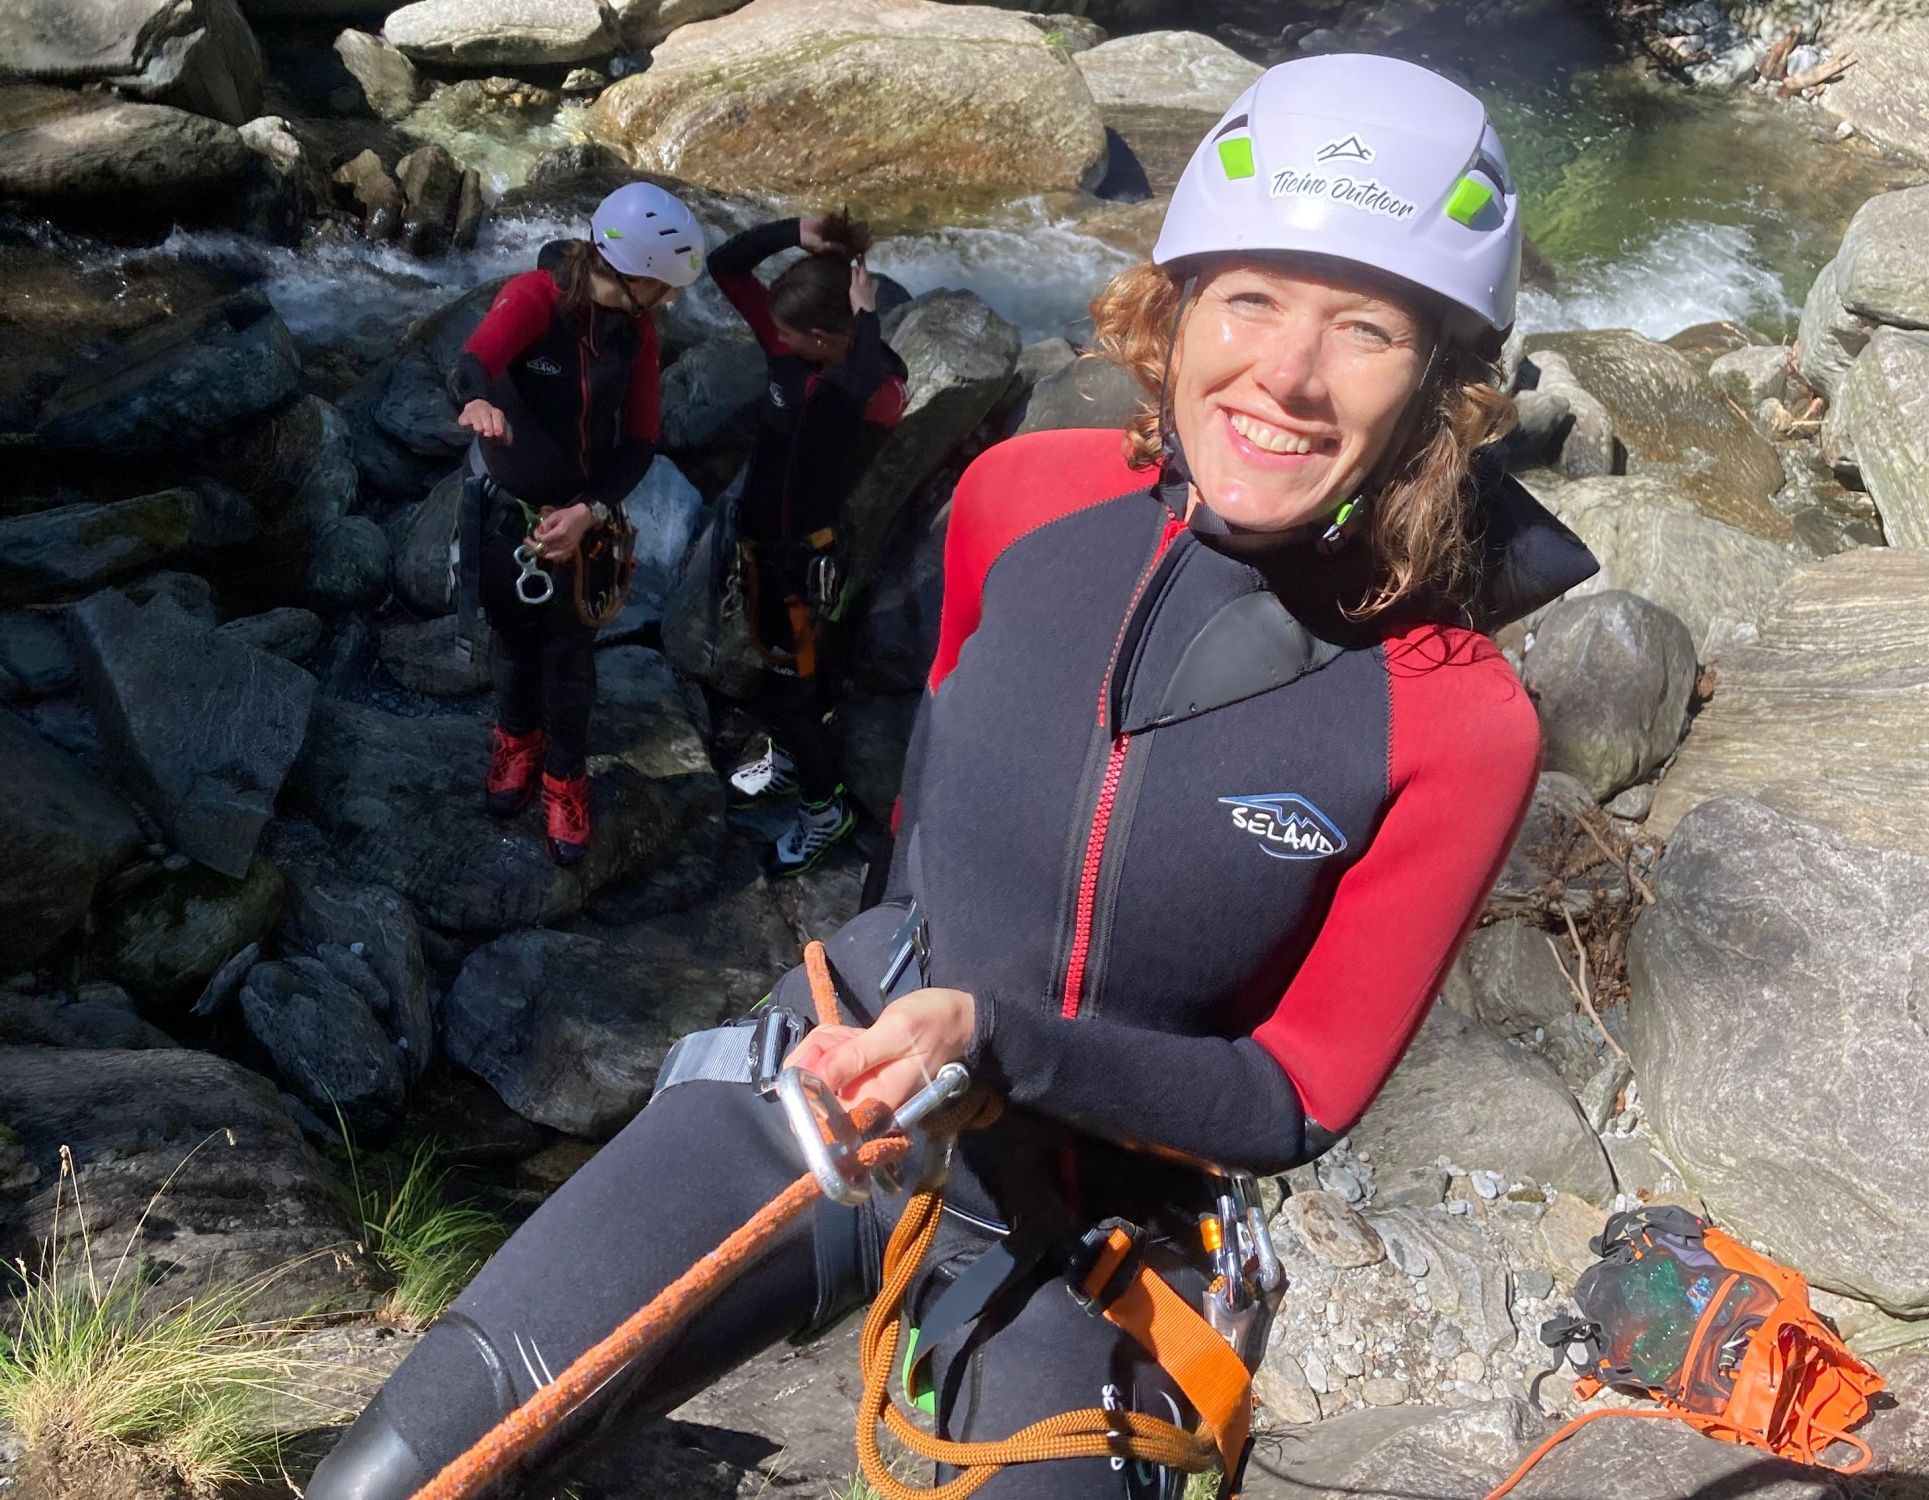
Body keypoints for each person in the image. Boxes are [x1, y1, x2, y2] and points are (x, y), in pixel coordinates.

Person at [307, 55, 1596, 1500]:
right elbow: (923, 827)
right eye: (1249, 301)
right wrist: (889, 1019)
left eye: (1364, 328)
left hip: (1085, 1219)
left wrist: (1000, 1047)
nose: (1287, 376)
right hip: (835, 1083)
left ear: (1442, 376)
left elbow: (1298, 1092)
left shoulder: (1454, 718)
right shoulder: (1024, 500)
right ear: (1171, 311)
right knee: (396, 1477)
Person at [451, 181, 703, 866]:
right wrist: (477, 401)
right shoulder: (536, 297)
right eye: (664, 284)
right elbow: (475, 360)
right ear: (628, 270)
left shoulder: (639, 329)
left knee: (568, 659)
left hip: (583, 523)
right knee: (510, 639)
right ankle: (515, 741)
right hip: (510, 516)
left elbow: (642, 439)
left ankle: (565, 777)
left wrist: (587, 512)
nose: (672, 300)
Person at [708, 209, 910, 878]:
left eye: (789, 332)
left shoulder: (866, 390)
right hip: (766, 549)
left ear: (824, 339)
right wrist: (798, 233)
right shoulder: (793, 355)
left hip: (803, 562)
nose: (774, 335)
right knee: (786, 677)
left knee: (789, 691)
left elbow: (866, 382)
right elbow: (725, 266)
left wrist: (869, 314)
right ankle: (795, 763)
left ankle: (825, 811)